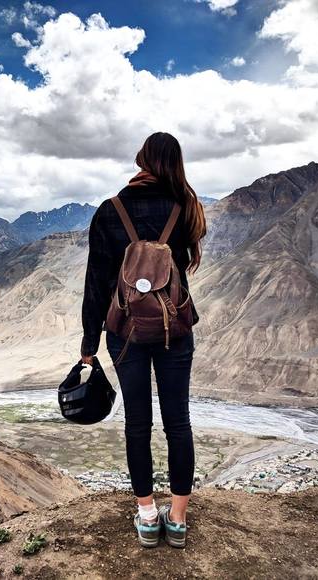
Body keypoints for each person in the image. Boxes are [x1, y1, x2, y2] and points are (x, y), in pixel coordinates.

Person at [80, 132, 207, 548]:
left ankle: (148, 517)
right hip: (175, 331)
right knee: (178, 421)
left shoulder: (109, 211)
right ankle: (179, 519)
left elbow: (96, 283)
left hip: (126, 332)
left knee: (137, 423)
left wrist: (89, 344)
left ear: (141, 159)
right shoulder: (185, 209)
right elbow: (183, 265)